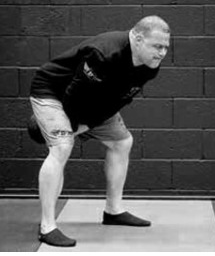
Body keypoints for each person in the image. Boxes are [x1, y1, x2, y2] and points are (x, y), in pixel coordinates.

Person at [29, 15, 170, 247]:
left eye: (165, 47)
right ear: (136, 38)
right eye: (157, 46)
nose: (162, 52)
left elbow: (119, 100)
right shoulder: (103, 54)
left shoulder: (149, 65)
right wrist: (68, 129)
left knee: (122, 142)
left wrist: (88, 125)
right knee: (62, 146)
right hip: (53, 92)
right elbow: (73, 97)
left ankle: (113, 211)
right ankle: (47, 226)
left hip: (97, 100)